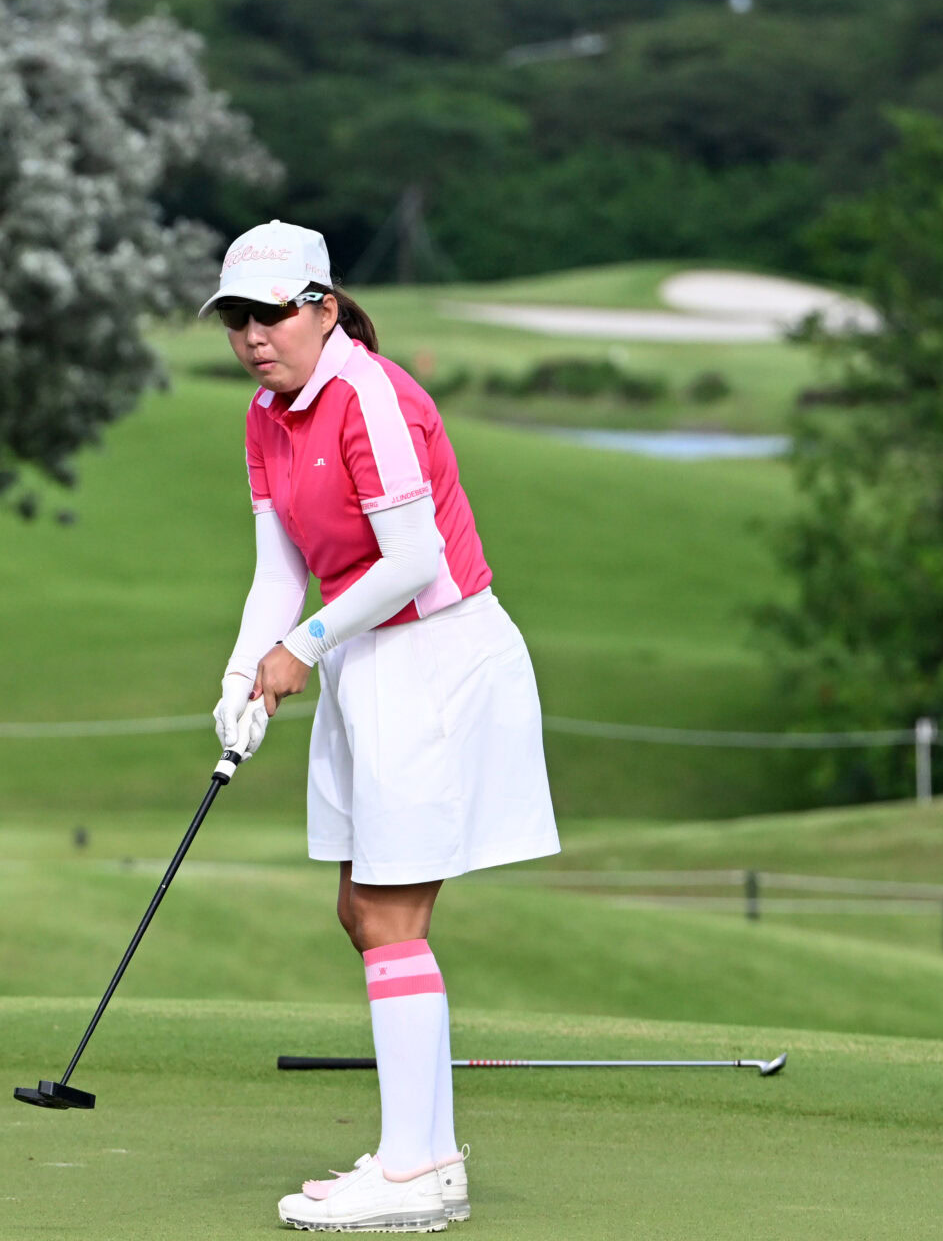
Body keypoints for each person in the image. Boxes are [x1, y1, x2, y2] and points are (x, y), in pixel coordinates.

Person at [203, 220, 560, 1232]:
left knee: (391, 913)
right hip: (366, 660)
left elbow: (411, 561)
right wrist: (243, 675)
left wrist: (302, 648)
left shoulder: (373, 394)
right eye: (236, 318)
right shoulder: (266, 416)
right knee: (362, 912)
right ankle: (427, 1155)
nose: (254, 336)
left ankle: (412, 1170)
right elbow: (280, 568)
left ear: (323, 307)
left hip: (436, 655)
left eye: (272, 313)